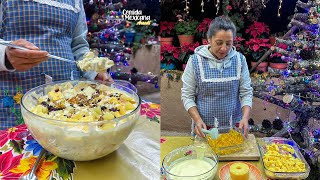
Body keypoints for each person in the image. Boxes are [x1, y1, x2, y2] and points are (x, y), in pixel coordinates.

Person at [0, 0, 113, 129]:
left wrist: (94, 70)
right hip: (16, 97)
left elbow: (78, 45)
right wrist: (5, 55)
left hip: (71, 102)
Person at [181, 16, 253, 138]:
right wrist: (197, 120)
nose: (224, 48)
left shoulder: (240, 60)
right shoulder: (195, 61)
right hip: (205, 127)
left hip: (234, 126)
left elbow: (246, 92)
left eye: (228, 43)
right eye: (219, 43)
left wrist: (245, 118)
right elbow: (187, 96)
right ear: (209, 39)